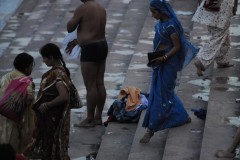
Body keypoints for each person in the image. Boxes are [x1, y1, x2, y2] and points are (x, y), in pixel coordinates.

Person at [140, 0, 198, 144]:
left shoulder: (171, 26)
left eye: (154, 12)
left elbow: (177, 46)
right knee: (164, 92)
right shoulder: (160, 24)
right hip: (160, 62)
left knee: (161, 95)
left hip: (169, 64)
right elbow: (160, 43)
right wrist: (153, 58)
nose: (152, 15)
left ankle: (151, 129)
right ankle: (182, 116)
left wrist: (164, 58)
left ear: (162, 11)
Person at [26, 43, 71, 159]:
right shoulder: (59, 71)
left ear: (51, 57)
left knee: (50, 143)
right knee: (49, 143)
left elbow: (64, 96)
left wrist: (47, 105)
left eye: (45, 58)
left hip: (52, 115)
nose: (44, 61)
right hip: (50, 115)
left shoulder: (58, 74)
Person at [66, 0, 108, 127]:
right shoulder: (101, 8)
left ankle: (89, 118)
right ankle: (98, 117)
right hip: (102, 45)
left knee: (90, 85)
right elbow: (93, 30)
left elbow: (70, 28)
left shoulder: (83, 8)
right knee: (99, 82)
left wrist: (74, 17)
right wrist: (77, 41)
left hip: (90, 49)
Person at [0, 53, 35, 153]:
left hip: (2, 118)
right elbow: (29, 102)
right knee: (16, 151)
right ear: (26, 67)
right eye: (31, 66)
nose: (31, 69)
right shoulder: (26, 83)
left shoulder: (4, 78)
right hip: (18, 122)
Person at [192, 0, 238, 76]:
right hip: (222, 6)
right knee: (219, 35)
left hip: (211, 5)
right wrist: (234, 7)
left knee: (222, 33)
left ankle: (222, 61)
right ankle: (202, 60)